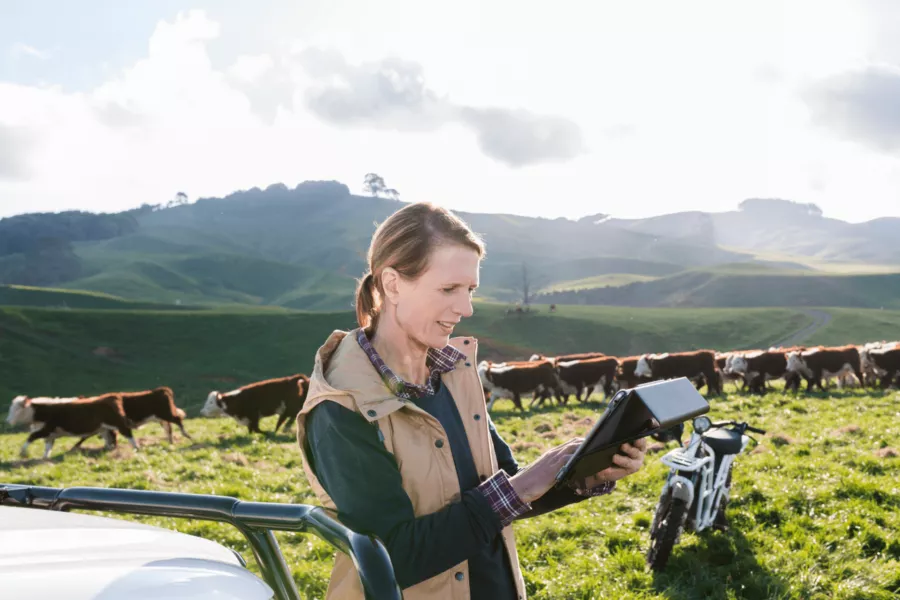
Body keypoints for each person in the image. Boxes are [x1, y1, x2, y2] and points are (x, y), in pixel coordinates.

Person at [296, 202, 649, 600]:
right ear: (392, 284)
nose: (465, 308)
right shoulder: (342, 406)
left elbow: (508, 490)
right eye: (448, 289)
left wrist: (587, 475)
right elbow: (391, 557)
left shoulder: (454, 375)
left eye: (470, 290)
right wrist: (520, 487)